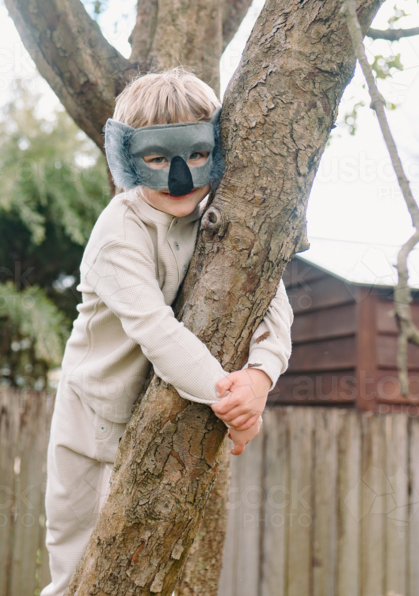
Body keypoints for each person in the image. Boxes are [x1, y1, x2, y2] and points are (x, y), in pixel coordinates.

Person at [40, 67, 293, 596]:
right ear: (126, 157)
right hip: (93, 427)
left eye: (196, 155)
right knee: (78, 576)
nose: (180, 177)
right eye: (157, 159)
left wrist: (260, 381)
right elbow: (157, 332)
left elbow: (274, 305)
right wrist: (232, 401)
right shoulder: (119, 234)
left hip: (171, 415)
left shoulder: (225, 217)